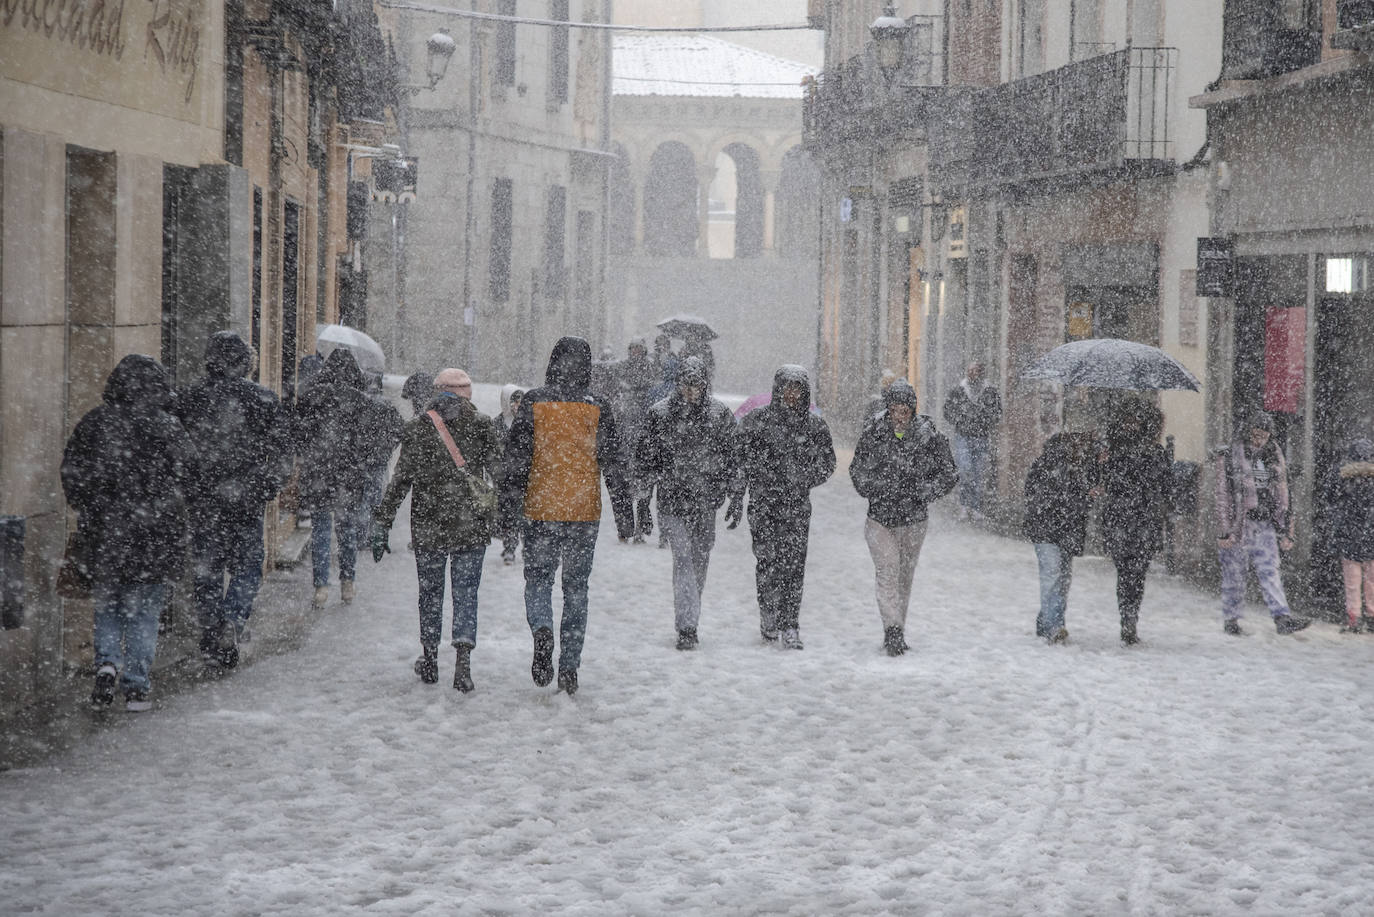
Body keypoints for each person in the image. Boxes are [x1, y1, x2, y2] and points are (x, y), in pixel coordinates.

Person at [61, 354, 194, 711]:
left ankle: (106, 664)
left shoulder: (94, 423)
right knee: (144, 612)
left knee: (108, 606)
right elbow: (190, 474)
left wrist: (91, 506)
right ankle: (136, 687)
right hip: (156, 535)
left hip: (106, 534)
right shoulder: (167, 426)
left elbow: (72, 473)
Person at [501, 336, 623, 694]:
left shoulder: (534, 402)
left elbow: (516, 461)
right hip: (583, 511)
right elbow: (613, 462)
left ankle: (541, 629)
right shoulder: (598, 406)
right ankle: (569, 665)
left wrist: (508, 507)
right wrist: (626, 510)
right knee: (576, 588)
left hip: (540, 509)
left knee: (538, 581)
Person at [373, 369, 500, 690]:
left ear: (437, 392)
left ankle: (429, 658)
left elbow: (401, 479)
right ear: (468, 394)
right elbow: (500, 472)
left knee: (430, 593)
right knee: (466, 593)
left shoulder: (418, 428)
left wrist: (383, 521)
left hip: (428, 525)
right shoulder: (482, 425)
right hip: (470, 525)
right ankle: (463, 664)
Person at [175, 331, 293, 669]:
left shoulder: (190, 398)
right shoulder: (263, 400)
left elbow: (176, 450)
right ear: (244, 363)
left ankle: (213, 634)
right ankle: (232, 620)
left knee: (207, 571)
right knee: (248, 566)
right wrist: (265, 485)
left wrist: (191, 485)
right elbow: (284, 453)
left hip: (205, 502)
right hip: (245, 500)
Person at [634, 357, 741, 650]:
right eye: (686, 384)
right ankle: (687, 626)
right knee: (682, 560)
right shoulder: (660, 414)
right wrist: (642, 502)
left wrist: (735, 494)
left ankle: (689, 614)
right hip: (672, 501)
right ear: (677, 384)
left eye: (696, 384)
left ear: (704, 384)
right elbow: (646, 459)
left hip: (706, 501)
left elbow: (733, 457)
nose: (691, 390)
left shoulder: (719, 415)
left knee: (699, 561)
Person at [729, 364, 835, 649]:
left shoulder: (813, 426)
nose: (792, 394)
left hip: (797, 506)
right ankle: (768, 616)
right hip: (763, 504)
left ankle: (790, 623)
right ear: (778, 390)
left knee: (793, 566)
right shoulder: (756, 422)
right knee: (767, 563)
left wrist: (803, 479)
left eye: (797, 388)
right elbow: (738, 459)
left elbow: (827, 463)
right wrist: (738, 495)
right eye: (787, 388)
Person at [848, 379, 957, 655]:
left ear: (913, 410)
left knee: (904, 576)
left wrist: (924, 491)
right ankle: (891, 629)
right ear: (888, 409)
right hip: (880, 519)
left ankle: (898, 627)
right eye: (895, 410)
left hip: (914, 518)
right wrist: (875, 488)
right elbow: (857, 470)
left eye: (905, 411)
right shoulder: (873, 432)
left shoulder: (928, 435)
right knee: (888, 570)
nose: (899, 416)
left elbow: (949, 473)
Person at [294, 348, 387, 608]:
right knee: (347, 531)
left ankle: (321, 586)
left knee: (321, 530)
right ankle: (348, 582)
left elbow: (299, 435)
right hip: (350, 476)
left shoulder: (312, 397)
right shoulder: (362, 402)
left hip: (319, 475)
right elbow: (371, 442)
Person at [1215, 412, 1311, 636]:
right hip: (1239, 522)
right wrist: (1224, 529)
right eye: (1256, 435)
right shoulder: (1231, 455)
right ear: (1248, 431)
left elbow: (1282, 492)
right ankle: (1231, 619)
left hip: (1264, 521)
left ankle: (1281, 617)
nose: (1259, 440)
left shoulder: (1273, 455)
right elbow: (1222, 495)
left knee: (1270, 569)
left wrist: (1287, 526)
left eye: (1264, 436)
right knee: (1234, 572)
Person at [1100, 398, 1172, 645]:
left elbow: (1164, 486)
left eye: (1137, 420)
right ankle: (1126, 617)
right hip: (1120, 518)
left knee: (1137, 572)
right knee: (1125, 572)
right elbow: (1106, 481)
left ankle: (1131, 618)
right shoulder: (1111, 450)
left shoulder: (1155, 452)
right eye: (1128, 420)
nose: (1132, 425)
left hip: (1145, 520)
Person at [1022, 432, 1094, 644]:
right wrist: (1083, 497)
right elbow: (1072, 503)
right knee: (1055, 577)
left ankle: (1048, 622)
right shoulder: (1062, 470)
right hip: (1052, 532)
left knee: (1059, 580)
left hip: (1057, 531)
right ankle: (1054, 625)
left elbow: (1035, 496)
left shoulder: (1072, 470)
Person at [610, 338, 658, 543]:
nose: (636, 351)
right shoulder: (622, 368)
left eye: (639, 348)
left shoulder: (649, 369)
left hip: (644, 440)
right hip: (626, 440)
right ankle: (627, 528)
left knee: (644, 489)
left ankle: (641, 526)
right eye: (633, 348)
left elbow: (653, 390)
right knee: (625, 490)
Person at [942, 360, 1002, 520]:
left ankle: (975, 507)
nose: (972, 374)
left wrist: (985, 421)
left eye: (975, 371)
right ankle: (964, 505)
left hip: (981, 437)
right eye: (970, 371)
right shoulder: (958, 391)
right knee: (965, 470)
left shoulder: (990, 392)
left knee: (978, 474)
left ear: (981, 373)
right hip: (963, 436)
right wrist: (960, 420)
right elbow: (947, 410)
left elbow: (997, 412)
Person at [1325, 438, 1374, 633]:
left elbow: (1330, 497)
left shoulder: (1342, 474)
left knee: (1352, 581)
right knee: (1371, 580)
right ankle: (1371, 617)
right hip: (1370, 533)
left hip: (1349, 534)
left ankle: (1354, 618)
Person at [495, 385, 526, 564]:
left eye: (520, 401)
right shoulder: (497, 424)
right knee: (509, 516)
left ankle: (528, 547)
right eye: (514, 401)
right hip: (505, 479)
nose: (518, 405)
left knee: (525, 515)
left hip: (523, 477)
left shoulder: (527, 422)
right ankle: (509, 547)